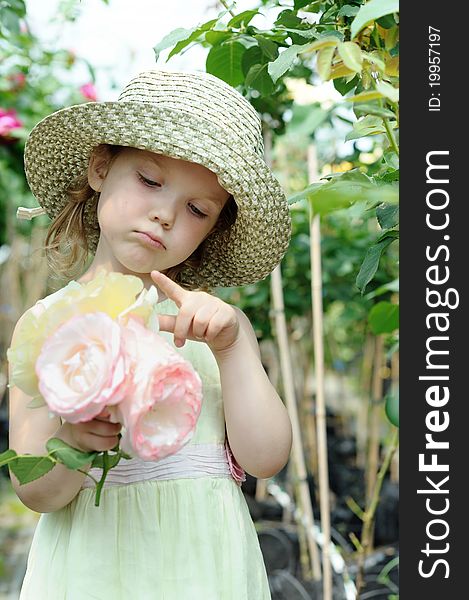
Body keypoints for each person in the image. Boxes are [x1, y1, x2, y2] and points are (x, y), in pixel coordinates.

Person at [8, 69, 293, 600]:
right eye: (150, 180)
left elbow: (266, 458)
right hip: (93, 572)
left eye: (196, 209)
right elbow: (36, 492)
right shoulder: (48, 325)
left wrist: (232, 350)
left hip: (206, 570)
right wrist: (71, 441)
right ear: (99, 169)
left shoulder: (217, 331)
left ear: (212, 230)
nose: (164, 213)